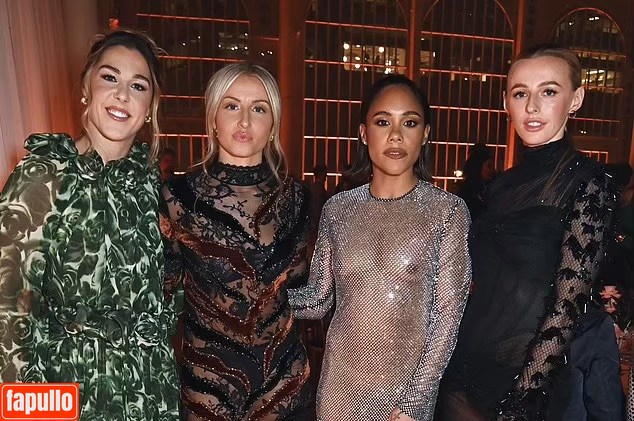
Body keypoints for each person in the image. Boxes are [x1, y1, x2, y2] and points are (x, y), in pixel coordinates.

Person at [0, 29, 179, 419]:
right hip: (70, 394)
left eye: (138, 86)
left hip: (149, 393)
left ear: (150, 106)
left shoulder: (149, 184)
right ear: (86, 88)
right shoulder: (44, 174)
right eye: (109, 77)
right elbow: (8, 307)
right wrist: (30, 411)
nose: (122, 94)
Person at [438, 44, 618, 421]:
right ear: (506, 103)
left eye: (548, 91)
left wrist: (523, 401)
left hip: (524, 386)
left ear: (576, 99)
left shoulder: (589, 183)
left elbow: (567, 306)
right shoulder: (498, 185)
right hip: (460, 370)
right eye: (520, 93)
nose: (532, 106)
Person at [288, 74, 472, 421]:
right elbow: (318, 300)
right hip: (338, 391)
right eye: (383, 121)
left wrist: (415, 404)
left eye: (410, 123)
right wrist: (262, 299)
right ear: (363, 133)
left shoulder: (447, 212)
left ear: (425, 135)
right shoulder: (338, 209)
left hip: (403, 400)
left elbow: (447, 317)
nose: (396, 135)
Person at [160, 63, 312, 420]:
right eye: (232, 106)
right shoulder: (175, 197)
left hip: (285, 386)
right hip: (207, 389)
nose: (244, 121)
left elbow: (301, 288)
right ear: (213, 118)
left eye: (259, 109)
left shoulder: (299, 199)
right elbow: (163, 295)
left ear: (273, 124)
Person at [456, 143, 497, 220]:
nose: (492, 170)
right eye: (489, 166)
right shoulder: (466, 193)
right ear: (478, 167)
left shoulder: (492, 188)